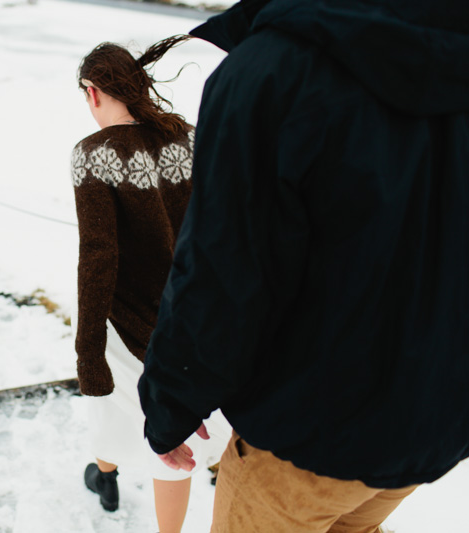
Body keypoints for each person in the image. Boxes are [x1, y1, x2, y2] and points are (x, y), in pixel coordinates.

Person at [137, 0, 469, 531]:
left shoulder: (271, 71)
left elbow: (221, 276)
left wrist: (170, 402)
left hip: (309, 440)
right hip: (435, 427)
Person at [71, 36, 230, 532]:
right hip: (198, 314)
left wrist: (88, 348)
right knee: (180, 420)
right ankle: (126, 477)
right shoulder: (190, 135)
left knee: (125, 418)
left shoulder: (91, 154)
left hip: (132, 322)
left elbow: (99, 258)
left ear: (92, 92)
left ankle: (105, 476)